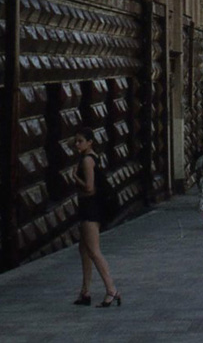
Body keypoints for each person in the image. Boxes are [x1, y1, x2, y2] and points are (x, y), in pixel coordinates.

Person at [73, 128, 120, 308]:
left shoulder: (86, 160)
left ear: (90, 142)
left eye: (80, 141)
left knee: (93, 251)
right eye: (75, 141)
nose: (77, 144)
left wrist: (75, 178)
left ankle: (111, 290)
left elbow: (89, 187)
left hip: (90, 208)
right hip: (91, 208)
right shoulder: (94, 157)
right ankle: (85, 292)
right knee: (84, 250)